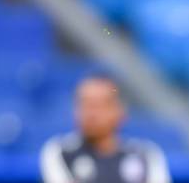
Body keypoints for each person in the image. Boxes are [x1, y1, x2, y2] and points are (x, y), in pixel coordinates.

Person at [40, 76, 172, 183]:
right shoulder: (60, 152)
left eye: (98, 106)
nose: (90, 114)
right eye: (84, 104)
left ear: (120, 111)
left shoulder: (146, 155)